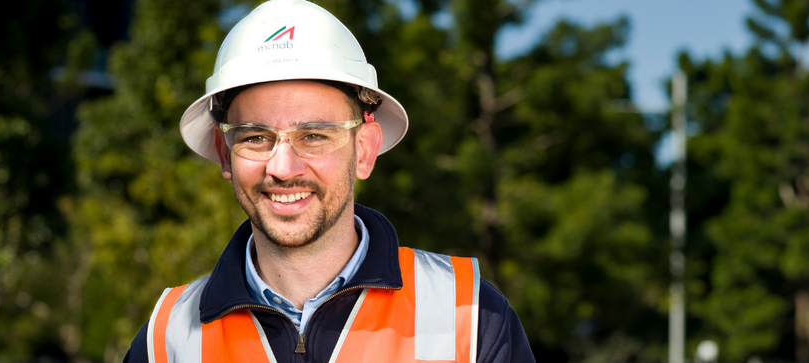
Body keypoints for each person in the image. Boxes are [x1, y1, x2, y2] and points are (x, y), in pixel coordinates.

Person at [121, 0, 534, 362]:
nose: (282, 167)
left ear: (365, 150)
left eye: (314, 136)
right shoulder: (168, 340)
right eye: (255, 137)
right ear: (225, 152)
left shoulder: (470, 315)